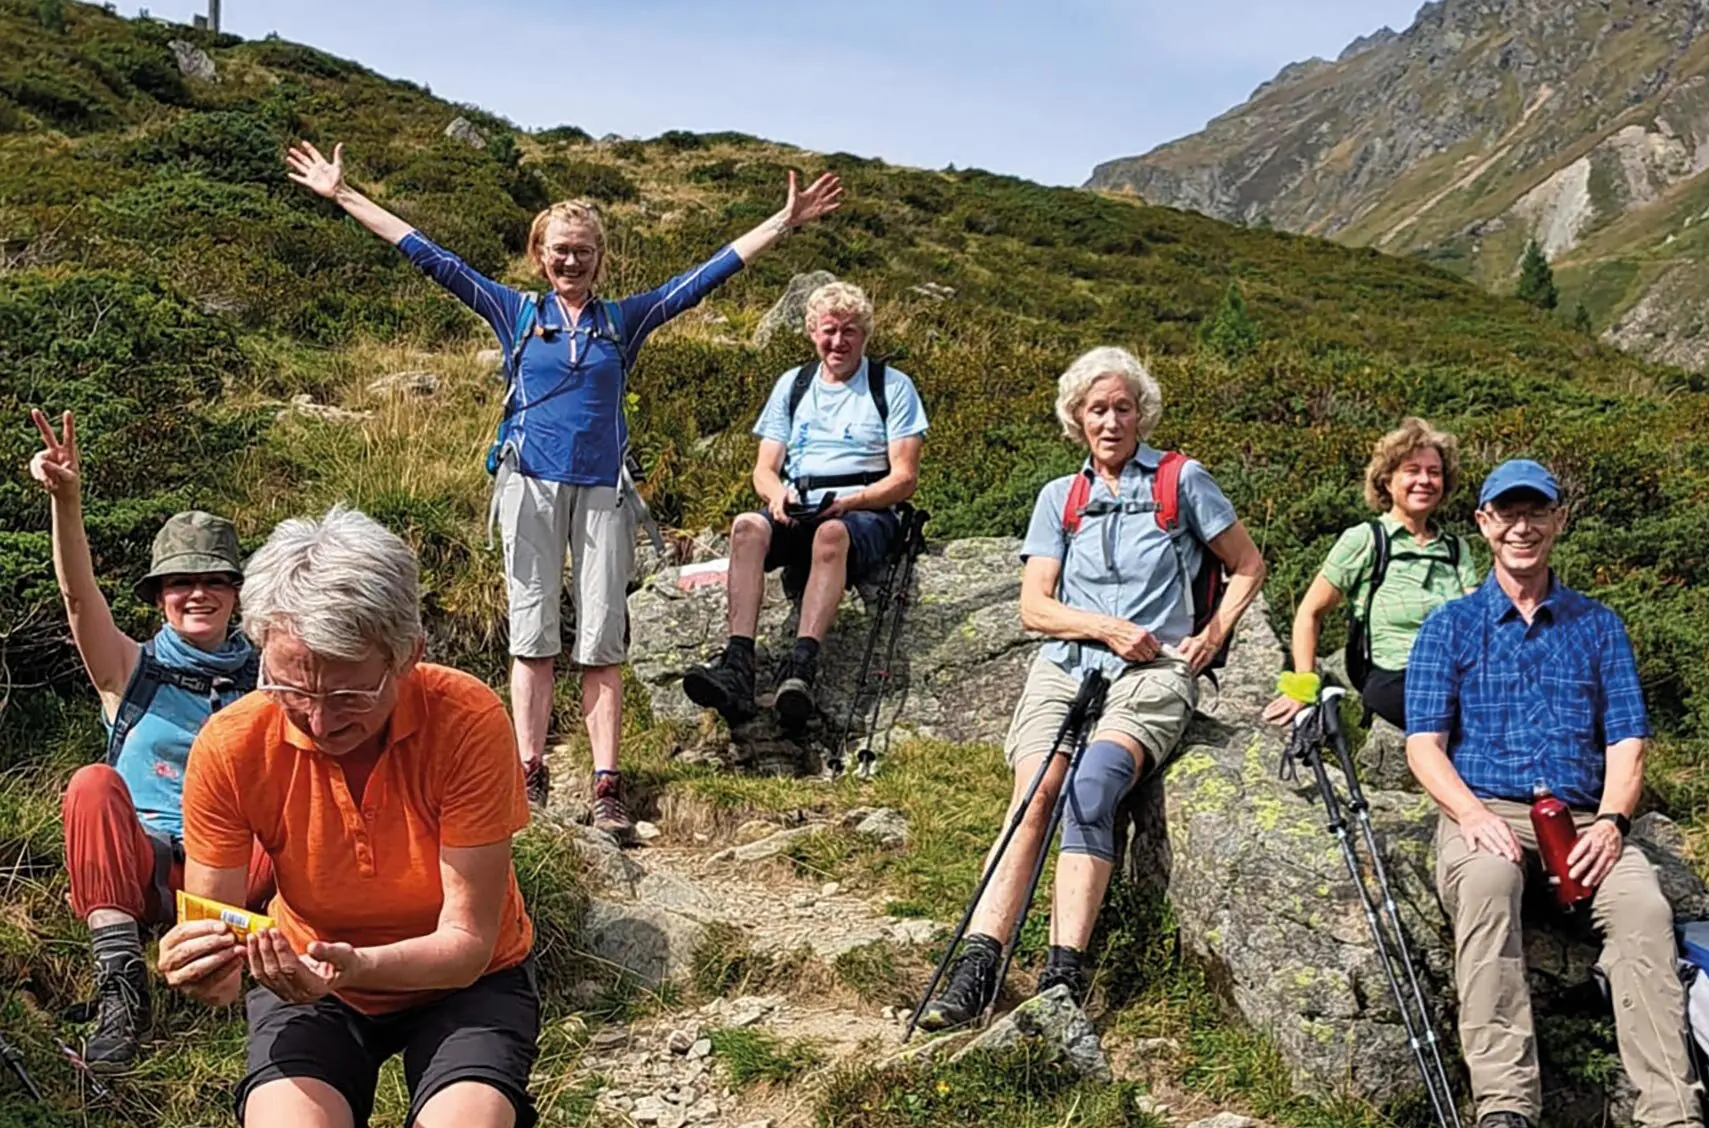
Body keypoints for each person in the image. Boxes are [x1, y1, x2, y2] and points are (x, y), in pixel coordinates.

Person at [285, 140, 842, 829]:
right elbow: (427, 254)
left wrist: (779, 225)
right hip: (529, 486)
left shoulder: (623, 321)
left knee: (603, 640)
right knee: (532, 634)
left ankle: (606, 783)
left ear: (600, 257)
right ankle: (528, 774)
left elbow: (706, 276)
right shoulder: (516, 313)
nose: (570, 260)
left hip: (603, 491)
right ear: (538, 255)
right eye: (558, 250)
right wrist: (343, 194)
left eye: (582, 250)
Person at [156, 506, 537, 1128]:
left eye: (353, 696)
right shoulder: (232, 747)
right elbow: (219, 940)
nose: (321, 720)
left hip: (467, 981)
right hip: (309, 982)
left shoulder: (467, 720)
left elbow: (465, 943)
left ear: (410, 656)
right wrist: (206, 964)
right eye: (293, 687)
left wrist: (350, 965)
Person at [1402, 460, 1709, 1128]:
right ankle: (1504, 1116)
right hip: (1486, 811)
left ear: (1559, 521)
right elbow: (1423, 745)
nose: (1522, 526)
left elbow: (1627, 742)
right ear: (1485, 525)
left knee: (1645, 909)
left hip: (1588, 819)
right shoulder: (1450, 626)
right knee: (1489, 887)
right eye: (1508, 513)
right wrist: (1468, 815)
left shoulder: (1599, 626)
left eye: (1538, 513)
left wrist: (1615, 824)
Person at [920, 348, 1266, 1027]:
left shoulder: (1181, 480)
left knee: (1093, 785)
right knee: (1034, 793)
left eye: (1123, 408)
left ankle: (1062, 975)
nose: (1111, 421)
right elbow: (1034, 607)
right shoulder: (1061, 498)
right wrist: (1106, 628)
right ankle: (978, 963)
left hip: (1156, 671)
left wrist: (1215, 632)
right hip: (1067, 664)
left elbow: (1247, 563)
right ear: (1076, 419)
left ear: (1143, 413)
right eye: (1097, 409)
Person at [28, 408, 273, 1073]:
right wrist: (66, 501)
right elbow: (78, 599)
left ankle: (282, 978)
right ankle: (120, 992)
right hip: (144, 869)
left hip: (234, 878)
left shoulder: (269, 680)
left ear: (236, 591)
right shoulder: (128, 670)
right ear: (160, 595)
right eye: (180, 582)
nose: (198, 593)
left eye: (214, 579)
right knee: (92, 786)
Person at [680, 281, 928, 729]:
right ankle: (738, 662)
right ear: (812, 330)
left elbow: (904, 478)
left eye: (850, 331)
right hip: (798, 505)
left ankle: (802, 665)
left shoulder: (892, 388)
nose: (838, 342)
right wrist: (777, 496)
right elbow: (764, 469)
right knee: (746, 529)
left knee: (833, 534)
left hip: (864, 509)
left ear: (865, 336)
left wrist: (852, 502)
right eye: (829, 330)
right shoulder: (793, 385)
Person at [1262, 417, 1476, 731]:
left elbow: (1477, 621)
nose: (1425, 480)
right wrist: (1302, 688)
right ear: (1387, 481)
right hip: (1396, 677)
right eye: (1412, 471)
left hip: (1454, 675)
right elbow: (1309, 613)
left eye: (1434, 472)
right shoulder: (1366, 539)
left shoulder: (1456, 549)